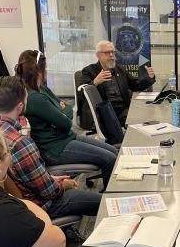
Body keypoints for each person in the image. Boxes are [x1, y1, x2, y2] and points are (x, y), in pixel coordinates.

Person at [0, 75, 101, 218]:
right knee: (101, 202)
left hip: (13, 202)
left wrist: (51, 179)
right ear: (20, 107)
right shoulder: (21, 144)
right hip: (39, 205)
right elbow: (49, 192)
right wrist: (63, 185)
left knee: (58, 173)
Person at [15, 49, 118, 187]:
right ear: (40, 70)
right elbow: (65, 123)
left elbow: (67, 108)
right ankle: (109, 199)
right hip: (54, 148)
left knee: (113, 151)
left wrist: (62, 109)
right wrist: (62, 109)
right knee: (110, 159)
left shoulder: (41, 89)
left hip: (65, 137)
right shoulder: (35, 98)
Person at [80, 40, 156, 126]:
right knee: (136, 123)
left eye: (112, 52)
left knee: (146, 118)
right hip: (102, 113)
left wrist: (149, 77)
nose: (111, 55)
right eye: (107, 52)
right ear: (98, 55)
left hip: (122, 110)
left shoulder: (120, 69)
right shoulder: (89, 71)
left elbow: (135, 85)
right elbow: (83, 94)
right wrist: (95, 82)